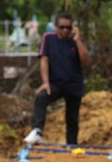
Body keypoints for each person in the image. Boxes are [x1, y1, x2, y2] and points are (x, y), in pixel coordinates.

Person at [24, 13, 91, 146]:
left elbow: (86, 62)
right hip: (56, 83)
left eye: (68, 27)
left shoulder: (77, 40)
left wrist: (78, 41)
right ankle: (37, 131)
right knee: (41, 97)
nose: (65, 30)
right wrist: (45, 82)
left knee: (72, 119)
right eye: (62, 27)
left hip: (73, 84)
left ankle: (72, 146)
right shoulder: (48, 38)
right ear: (56, 27)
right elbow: (44, 59)